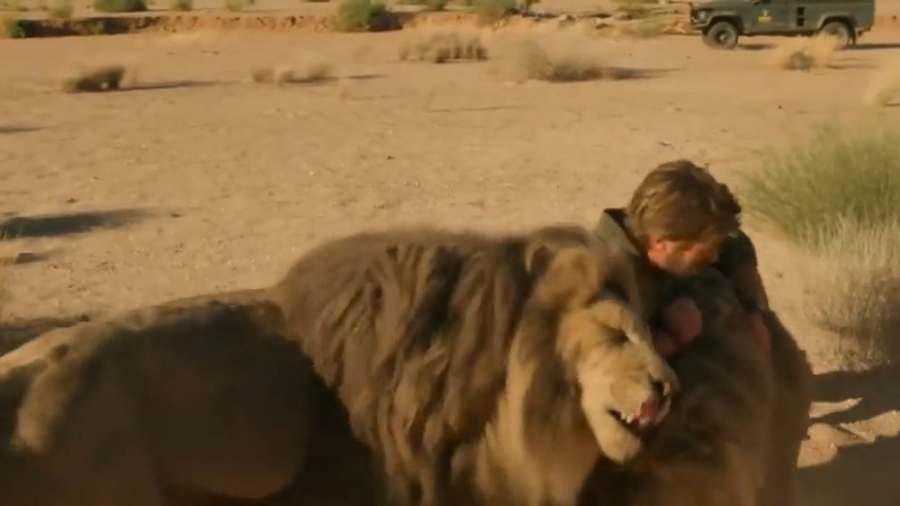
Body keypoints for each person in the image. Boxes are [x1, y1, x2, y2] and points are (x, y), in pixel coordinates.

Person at [593, 158, 771, 356]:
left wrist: (753, 311)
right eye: (703, 252)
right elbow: (605, 363)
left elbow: (736, 243)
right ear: (660, 242)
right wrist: (670, 338)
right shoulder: (602, 280)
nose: (714, 257)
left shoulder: (656, 231)